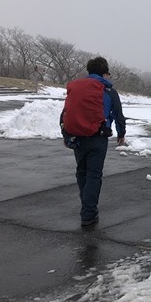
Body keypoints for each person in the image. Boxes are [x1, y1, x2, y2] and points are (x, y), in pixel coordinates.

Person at [60, 57, 126, 226]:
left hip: (77, 135)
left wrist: (65, 134)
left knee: (81, 171)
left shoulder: (76, 87)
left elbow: (66, 112)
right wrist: (121, 133)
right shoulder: (109, 91)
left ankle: (86, 206)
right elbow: (118, 114)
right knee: (94, 174)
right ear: (105, 73)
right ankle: (88, 213)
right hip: (98, 137)